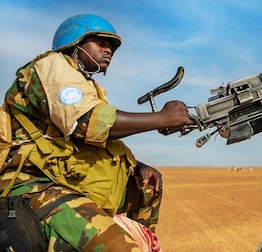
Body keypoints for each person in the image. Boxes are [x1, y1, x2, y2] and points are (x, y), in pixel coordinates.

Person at [0, 14, 193, 251]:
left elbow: (88, 142)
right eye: (101, 42)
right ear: (75, 43)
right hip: (33, 182)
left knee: (147, 185)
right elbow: (89, 122)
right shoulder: (51, 66)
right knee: (119, 247)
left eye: (111, 46)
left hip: (64, 175)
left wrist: (137, 166)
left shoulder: (86, 85)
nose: (108, 50)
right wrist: (162, 118)